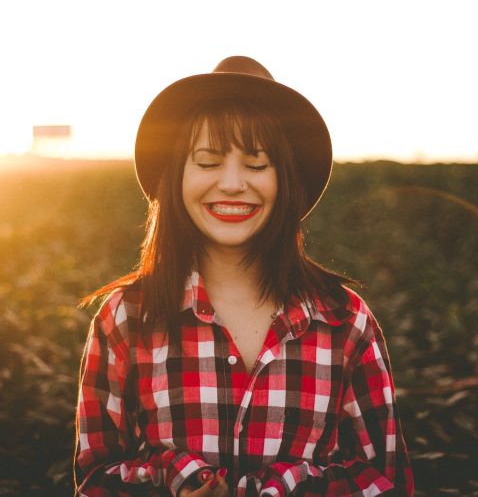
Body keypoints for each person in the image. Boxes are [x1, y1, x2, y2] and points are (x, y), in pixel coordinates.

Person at [74, 56, 414, 496]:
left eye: (257, 164)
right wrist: (172, 477)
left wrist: (281, 489)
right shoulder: (125, 318)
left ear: (285, 179)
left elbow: (386, 482)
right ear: (176, 176)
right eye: (208, 162)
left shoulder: (345, 321)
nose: (233, 184)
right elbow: (96, 479)